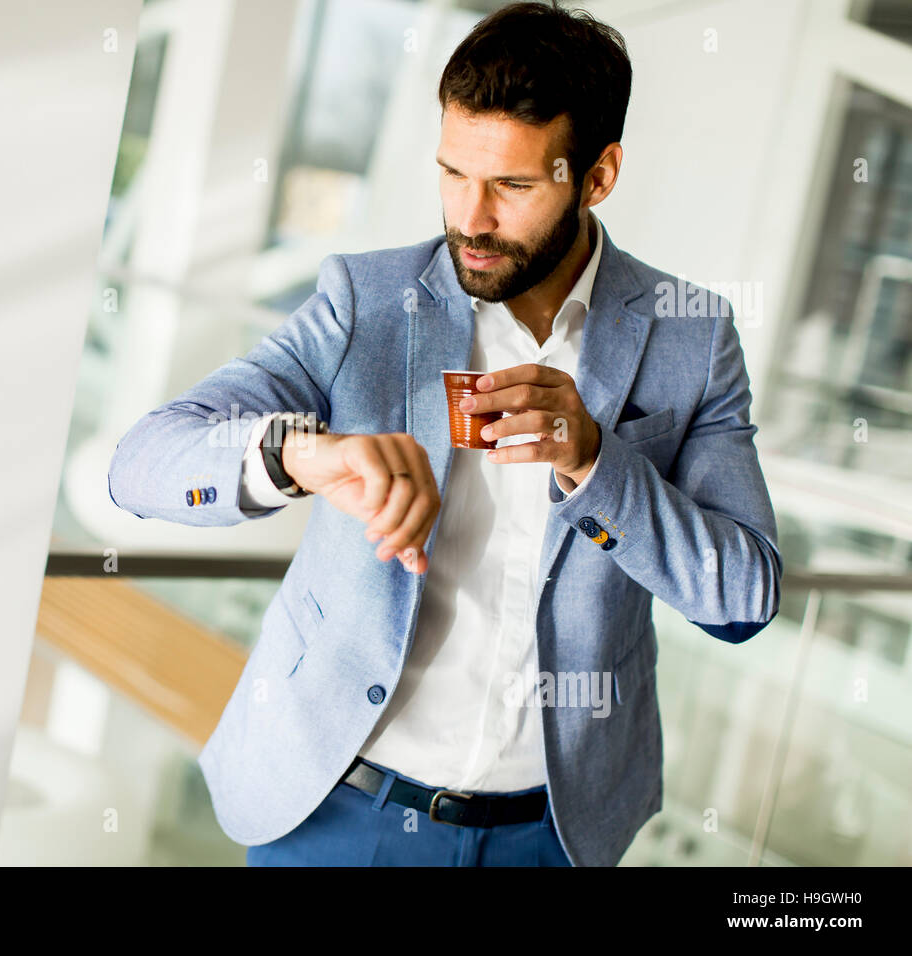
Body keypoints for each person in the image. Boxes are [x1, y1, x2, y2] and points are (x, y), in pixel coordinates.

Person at [106, 0, 780, 866]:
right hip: (337, 812)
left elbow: (744, 597)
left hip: (553, 834)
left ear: (598, 174)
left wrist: (595, 460)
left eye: (513, 186)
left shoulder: (690, 337)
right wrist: (306, 455)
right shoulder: (366, 303)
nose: (472, 217)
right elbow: (141, 462)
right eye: (453, 172)